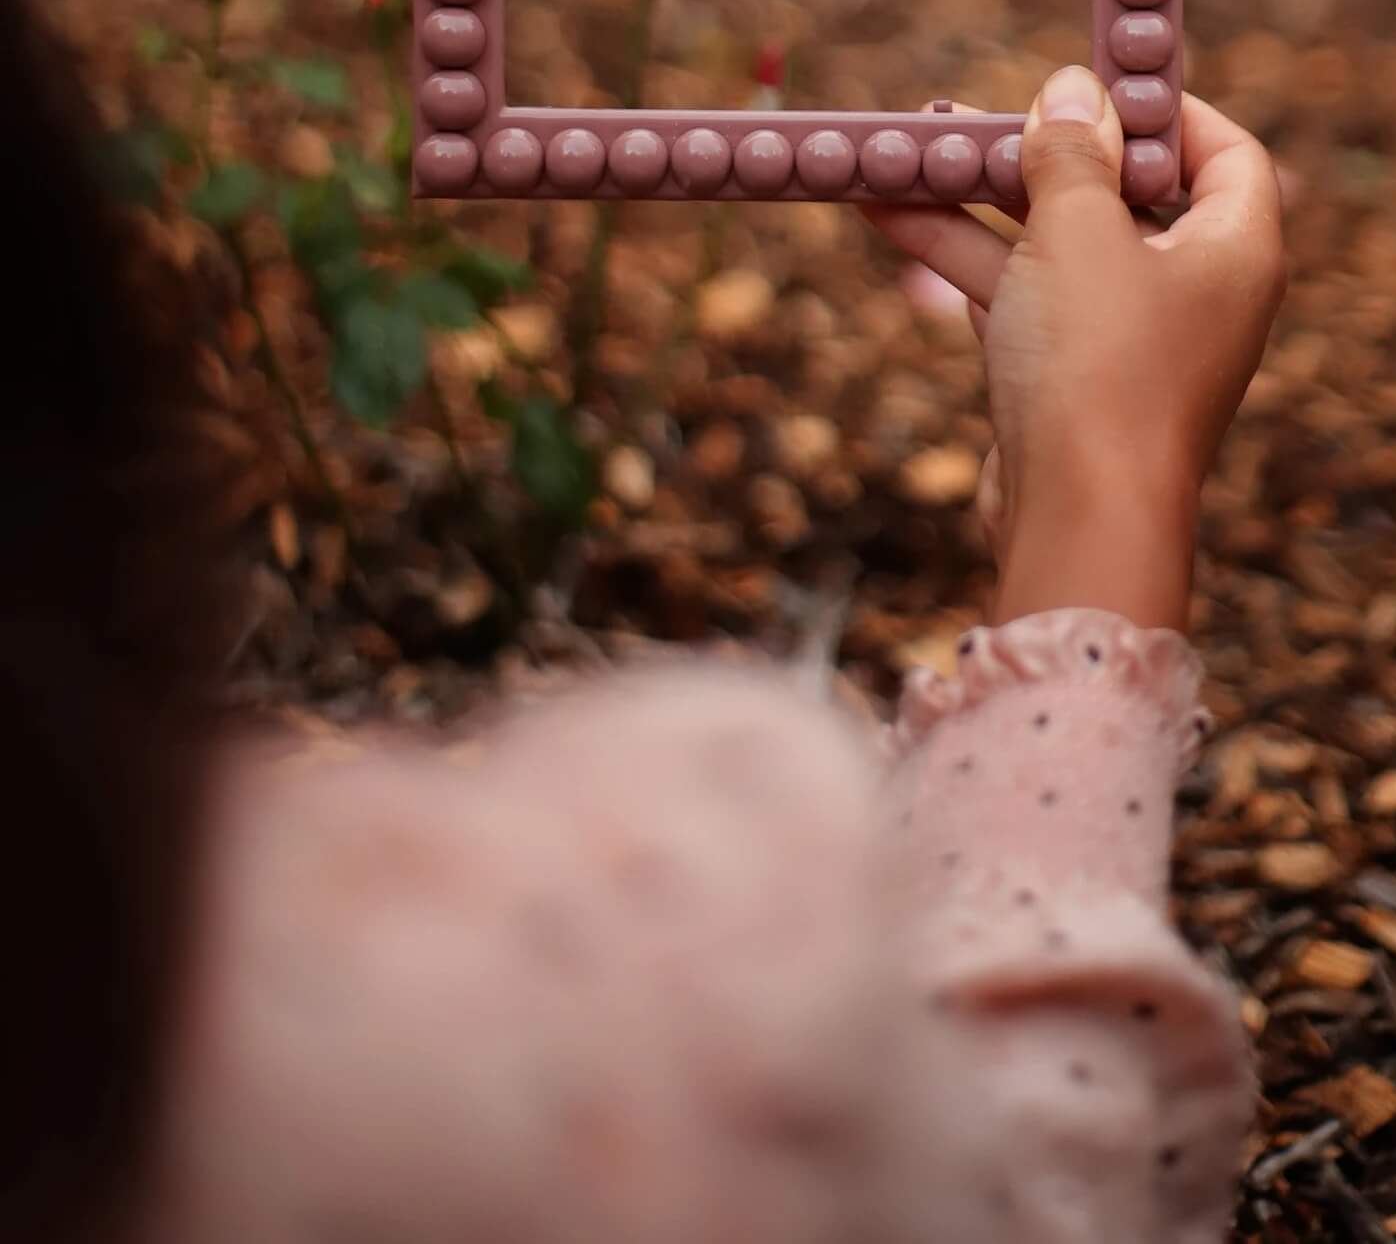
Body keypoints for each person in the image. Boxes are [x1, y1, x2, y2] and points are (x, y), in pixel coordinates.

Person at [128, 61, 1285, 1244]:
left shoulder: (146, 992)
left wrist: (1060, 497)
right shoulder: (309, 1065)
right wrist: (1107, 475)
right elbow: (1008, 1174)